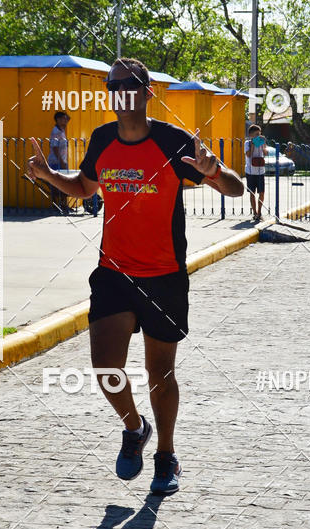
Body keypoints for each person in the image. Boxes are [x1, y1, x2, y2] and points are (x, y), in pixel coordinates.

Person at [27, 57, 244, 496]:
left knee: (159, 373)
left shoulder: (172, 141)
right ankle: (134, 427)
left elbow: (237, 188)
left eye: (130, 84)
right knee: (105, 367)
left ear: (146, 92)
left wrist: (214, 172)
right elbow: (87, 187)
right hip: (114, 272)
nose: (121, 90)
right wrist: (52, 176)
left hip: (164, 275)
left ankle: (166, 455)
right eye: (113, 85)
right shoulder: (103, 139)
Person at [48, 111, 72, 214]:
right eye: (63, 118)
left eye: (66, 118)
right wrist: (61, 162)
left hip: (62, 161)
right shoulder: (56, 131)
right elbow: (55, 148)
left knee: (64, 184)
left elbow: (69, 119)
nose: (66, 120)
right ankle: (55, 205)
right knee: (56, 184)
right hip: (56, 162)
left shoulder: (61, 129)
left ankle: (63, 205)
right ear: (58, 120)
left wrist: (66, 116)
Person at [244, 124, 266, 221]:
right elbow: (248, 155)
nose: (258, 136)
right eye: (256, 134)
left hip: (260, 171)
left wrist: (263, 144)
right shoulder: (247, 143)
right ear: (251, 135)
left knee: (261, 192)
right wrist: (253, 145)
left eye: (259, 134)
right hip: (250, 172)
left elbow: (265, 153)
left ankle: (260, 212)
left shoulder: (261, 142)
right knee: (252, 193)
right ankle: (255, 213)